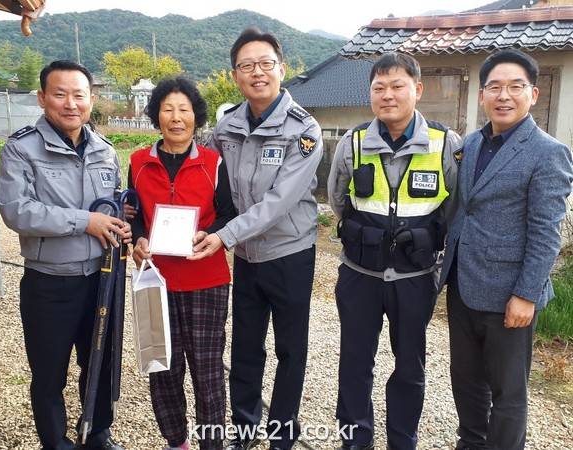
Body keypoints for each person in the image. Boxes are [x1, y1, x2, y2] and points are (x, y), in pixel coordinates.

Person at [190, 27, 323, 450]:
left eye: (266, 63)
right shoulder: (227, 126)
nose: (257, 72)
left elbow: (278, 203)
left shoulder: (305, 130)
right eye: (246, 66)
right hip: (247, 255)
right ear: (235, 75)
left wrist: (223, 236)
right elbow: (205, 179)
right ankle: (245, 429)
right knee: (245, 347)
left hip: (289, 253)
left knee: (290, 350)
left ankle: (282, 434)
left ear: (282, 69)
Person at [439, 49, 573, 450]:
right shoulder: (472, 143)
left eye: (515, 87)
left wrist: (526, 294)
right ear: (482, 94)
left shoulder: (548, 152)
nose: (504, 96)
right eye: (495, 87)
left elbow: (545, 232)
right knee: (465, 378)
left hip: (510, 294)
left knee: (508, 390)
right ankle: (470, 442)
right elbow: (463, 208)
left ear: (533, 94)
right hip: (463, 283)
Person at [327, 52, 462, 450]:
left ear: (417, 89)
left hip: (415, 278)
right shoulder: (352, 144)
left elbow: (454, 208)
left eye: (397, 86)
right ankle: (355, 440)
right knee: (354, 363)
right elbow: (338, 200)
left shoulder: (445, 144)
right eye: (379, 87)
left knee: (409, 367)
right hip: (360, 275)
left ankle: (403, 441)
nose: (387, 95)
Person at [0, 60, 129, 450]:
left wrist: (123, 221)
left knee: (100, 362)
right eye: (60, 94)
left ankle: (97, 434)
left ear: (91, 100)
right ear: (42, 98)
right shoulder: (21, 148)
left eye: (79, 95)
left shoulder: (105, 150)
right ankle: (55, 442)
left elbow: (113, 204)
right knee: (49, 371)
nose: (70, 103)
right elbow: (17, 211)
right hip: (50, 283)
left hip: (101, 279)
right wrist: (85, 221)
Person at [128, 77, 236, 450]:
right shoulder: (138, 162)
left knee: (207, 371)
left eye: (184, 110)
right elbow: (134, 215)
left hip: (206, 279)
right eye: (168, 109)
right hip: (155, 281)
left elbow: (228, 215)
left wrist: (211, 235)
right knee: (162, 368)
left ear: (196, 116)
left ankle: (211, 444)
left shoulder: (213, 162)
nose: (176, 118)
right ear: (156, 115)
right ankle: (176, 441)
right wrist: (138, 238)